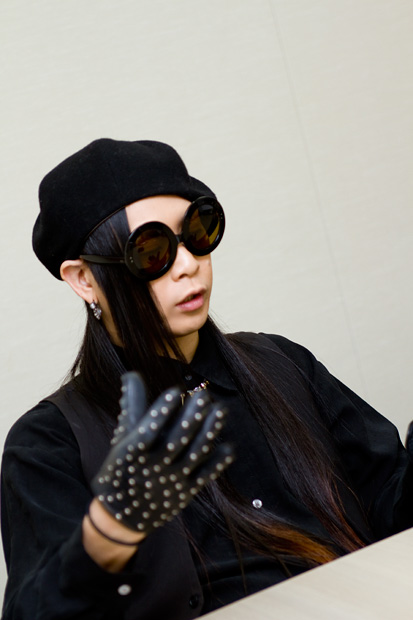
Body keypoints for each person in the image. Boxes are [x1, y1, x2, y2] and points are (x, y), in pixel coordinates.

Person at [1, 138, 413, 620]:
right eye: (151, 251)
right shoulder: (48, 444)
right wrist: (107, 536)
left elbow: (394, 510)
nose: (187, 265)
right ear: (84, 279)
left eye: (197, 232)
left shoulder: (284, 364)